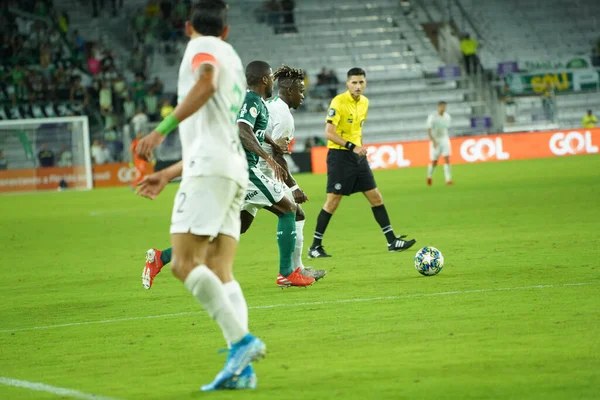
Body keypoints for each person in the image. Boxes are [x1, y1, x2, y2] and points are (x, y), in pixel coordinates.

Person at [134, 1, 266, 391]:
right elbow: (216, 129)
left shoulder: (200, 48)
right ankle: (243, 371)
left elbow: (205, 83)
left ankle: (242, 342)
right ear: (226, 30)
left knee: (183, 263)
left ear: (189, 27)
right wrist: (170, 173)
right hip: (231, 169)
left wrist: (161, 130)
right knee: (220, 270)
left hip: (211, 169)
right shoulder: (233, 56)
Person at [142, 61, 315, 289]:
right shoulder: (252, 100)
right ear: (264, 80)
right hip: (246, 170)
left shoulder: (258, 102)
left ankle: (160, 257)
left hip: (236, 171)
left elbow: (254, 131)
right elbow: (243, 130)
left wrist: (272, 143)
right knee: (289, 209)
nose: (273, 80)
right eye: (271, 77)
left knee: (229, 230)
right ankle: (287, 273)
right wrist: (268, 157)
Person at [307, 68, 417, 258]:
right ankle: (315, 247)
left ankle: (392, 241)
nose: (358, 86)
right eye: (354, 83)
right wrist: (353, 147)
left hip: (358, 158)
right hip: (339, 157)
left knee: (376, 197)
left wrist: (359, 149)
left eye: (361, 82)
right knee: (332, 202)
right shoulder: (338, 102)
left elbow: (358, 129)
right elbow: (329, 133)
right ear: (347, 84)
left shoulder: (365, 103)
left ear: (365, 83)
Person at [256, 65, 326, 281]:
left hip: (255, 170)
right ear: (288, 91)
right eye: (301, 91)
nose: (303, 96)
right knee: (294, 212)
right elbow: (278, 156)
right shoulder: (285, 117)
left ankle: (296, 269)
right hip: (257, 173)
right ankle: (291, 272)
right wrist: (294, 187)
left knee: (235, 226)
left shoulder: (271, 105)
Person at [426, 101, 452, 186]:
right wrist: (433, 141)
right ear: (438, 107)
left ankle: (448, 180)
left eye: (445, 107)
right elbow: (429, 130)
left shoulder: (447, 117)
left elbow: (446, 128)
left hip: (444, 138)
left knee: (447, 158)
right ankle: (429, 176)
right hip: (436, 140)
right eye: (442, 107)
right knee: (434, 161)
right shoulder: (432, 117)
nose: (443, 108)